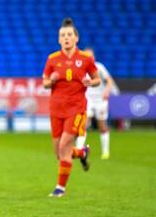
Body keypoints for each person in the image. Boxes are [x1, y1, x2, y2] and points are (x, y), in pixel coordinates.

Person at [42, 18, 100, 198]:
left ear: (76, 38)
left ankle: (60, 188)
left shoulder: (86, 59)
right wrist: (50, 81)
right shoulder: (52, 59)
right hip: (56, 108)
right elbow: (44, 82)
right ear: (59, 40)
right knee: (60, 153)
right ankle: (82, 152)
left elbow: (97, 79)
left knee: (66, 144)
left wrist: (91, 82)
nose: (66, 38)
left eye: (69, 35)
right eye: (62, 35)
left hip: (76, 108)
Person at [76, 48, 116, 160]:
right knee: (83, 125)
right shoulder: (80, 69)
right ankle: (79, 149)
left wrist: (107, 90)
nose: (89, 58)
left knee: (102, 127)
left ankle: (105, 151)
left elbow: (109, 80)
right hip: (87, 100)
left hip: (100, 101)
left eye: (91, 56)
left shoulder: (99, 67)